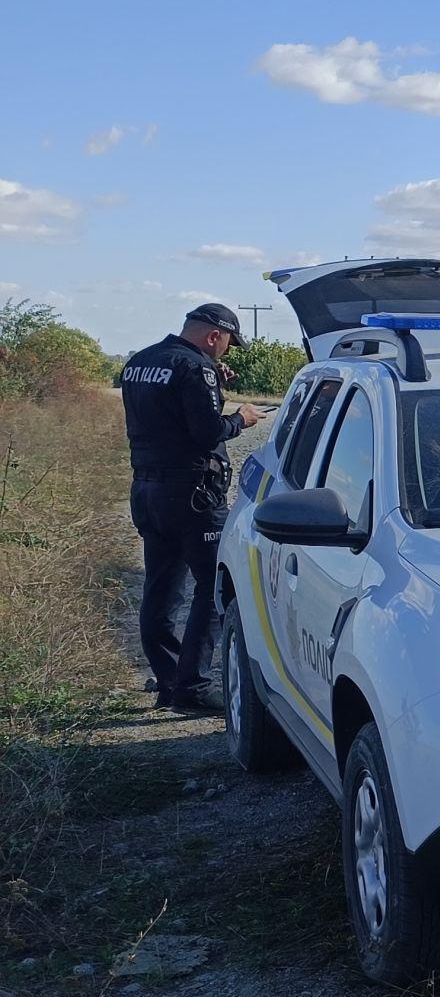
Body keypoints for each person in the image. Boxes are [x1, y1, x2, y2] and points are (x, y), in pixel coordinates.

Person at [120, 305, 267, 714]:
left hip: (147, 489)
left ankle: (169, 682)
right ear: (213, 336)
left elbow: (167, 417)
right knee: (212, 585)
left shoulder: (140, 361)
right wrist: (241, 418)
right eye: (227, 345)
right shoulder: (195, 368)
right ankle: (193, 687)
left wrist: (212, 387)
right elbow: (206, 433)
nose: (225, 354)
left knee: (161, 585)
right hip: (192, 495)